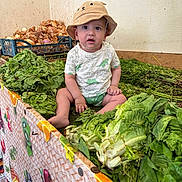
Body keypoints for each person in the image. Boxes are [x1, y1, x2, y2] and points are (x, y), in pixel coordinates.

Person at [48, 1, 127, 128]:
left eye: (97, 28)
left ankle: (98, 117)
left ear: (105, 34)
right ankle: (62, 116)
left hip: (103, 94)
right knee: (62, 93)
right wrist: (78, 97)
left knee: (121, 98)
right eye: (85, 27)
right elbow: (69, 78)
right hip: (80, 92)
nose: (91, 33)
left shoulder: (109, 50)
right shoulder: (73, 54)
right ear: (76, 34)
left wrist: (113, 85)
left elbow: (116, 68)